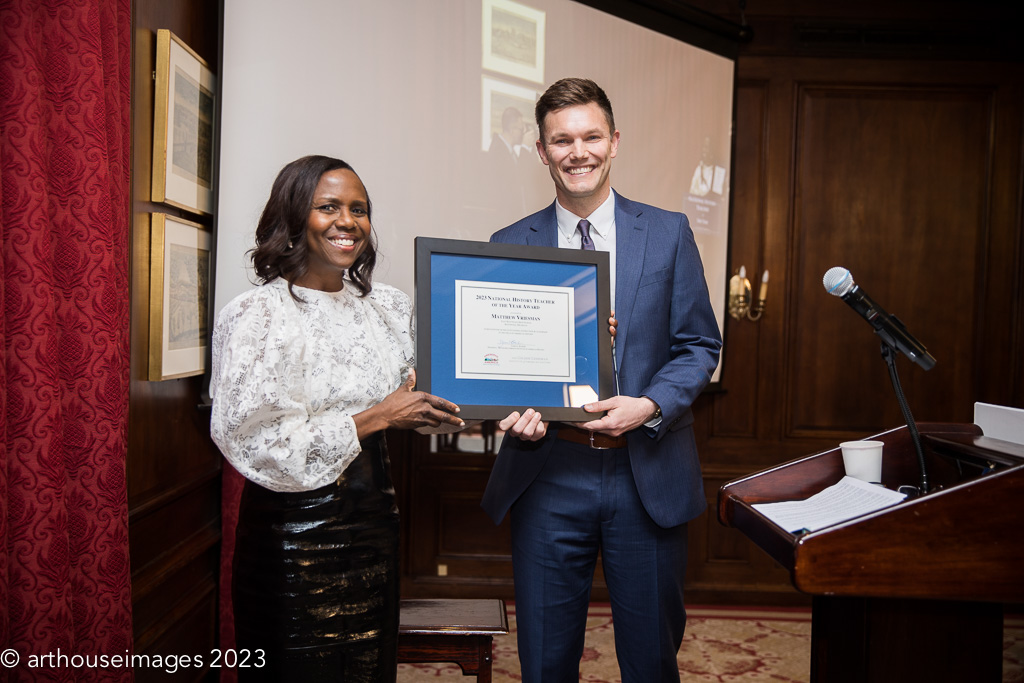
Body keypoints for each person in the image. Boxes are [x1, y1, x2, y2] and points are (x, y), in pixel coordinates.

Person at [481, 78, 723, 682]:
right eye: (561, 140)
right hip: (548, 474)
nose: (578, 151)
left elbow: (699, 345)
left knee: (650, 661)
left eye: (591, 136)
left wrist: (649, 403)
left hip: (646, 474)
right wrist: (512, 405)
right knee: (544, 661)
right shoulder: (509, 244)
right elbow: (499, 360)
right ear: (541, 151)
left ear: (614, 142)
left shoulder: (667, 233)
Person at [209, 155, 464, 682]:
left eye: (359, 209)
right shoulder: (258, 315)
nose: (348, 221)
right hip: (290, 536)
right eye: (328, 207)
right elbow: (258, 442)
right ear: (294, 216)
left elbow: (417, 399)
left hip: (375, 522)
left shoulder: (388, 310)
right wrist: (377, 417)